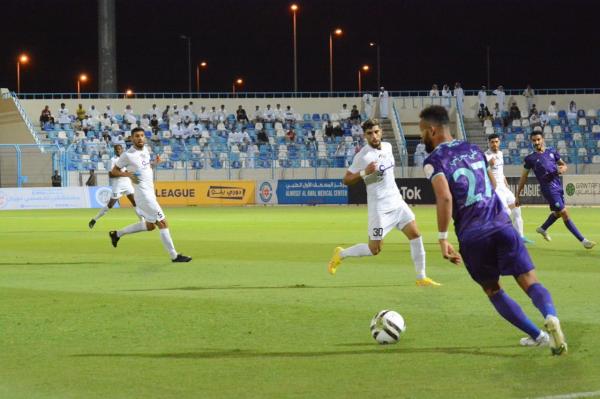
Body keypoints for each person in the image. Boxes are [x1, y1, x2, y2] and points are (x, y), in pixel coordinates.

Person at [420, 105, 567, 355]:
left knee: (492, 289)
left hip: (472, 235)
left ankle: (538, 335)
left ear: (432, 130)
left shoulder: (433, 160)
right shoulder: (474, 149)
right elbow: (491, 182)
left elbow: (444, 198)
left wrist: (443, 238)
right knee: (529, 280)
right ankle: (551, 315)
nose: (422, 136)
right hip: (500, 223)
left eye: (423, 131)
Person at [327, 118, 440, 287]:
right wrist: (365, 172)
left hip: (397, 203)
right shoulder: (363, 156)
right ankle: (341, 254)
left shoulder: (388, 147)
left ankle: (421, 277)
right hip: (380, 211)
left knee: (416, 235)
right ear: (365, 136)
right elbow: (346, 179)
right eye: (369, 133)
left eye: (376, 132)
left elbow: (384, 174)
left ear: (381, 132)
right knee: (375, 250)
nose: (374, 136)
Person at [109, 127, 191, 262]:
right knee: (163, 222)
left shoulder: (146, 151)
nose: (140, 138)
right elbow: (114, 171)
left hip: (149, 193)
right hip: (143, 195)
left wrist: (154, 163)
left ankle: (117, 234)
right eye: (136, 136)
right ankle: (174, 256)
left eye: (142, 135)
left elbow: (145, 169)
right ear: (131, 138)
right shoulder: (128, 155)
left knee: (151, 225)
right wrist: (127, 174)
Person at [516, 130, 595, 249]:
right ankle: (583, 241)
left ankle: (543, 228)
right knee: (564, 212)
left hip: (558, 187)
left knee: (558, 213)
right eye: (534, 140)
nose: (536, 142)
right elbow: (523, 177)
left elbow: (563, 165)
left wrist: (563, 168)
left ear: (542, 139)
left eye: (538, 139)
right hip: (548, 189)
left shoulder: (552, 151)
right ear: (531, 141)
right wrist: (518, 195)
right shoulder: (530, 159)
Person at [485, 134, 533, 243]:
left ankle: (520, 237)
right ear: (489, 143)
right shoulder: (486, 156)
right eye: (492, 142)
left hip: (504, 187)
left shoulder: (501, 154)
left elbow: (500, 172)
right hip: (495, 188)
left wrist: (505, 183)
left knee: (516, 208)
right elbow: (481, 172)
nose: (494, 144)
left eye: (496, 142)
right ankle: (496, 235)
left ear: (499, 142)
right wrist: (488, 164)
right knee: (505, 212)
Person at [89, 144, 142, 229]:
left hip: (127, 184)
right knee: (110, 205)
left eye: (119, 149)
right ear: (114, 150)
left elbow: (129, 171)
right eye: (116, 149)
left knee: (135, 202)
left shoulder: (126, 159)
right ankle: (94, 219)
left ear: (122, 150)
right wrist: (124, 174)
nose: (118, 151)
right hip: (118, 185)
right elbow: (111, 175)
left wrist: (132, 175)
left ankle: (142, 222)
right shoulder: (113, 160)